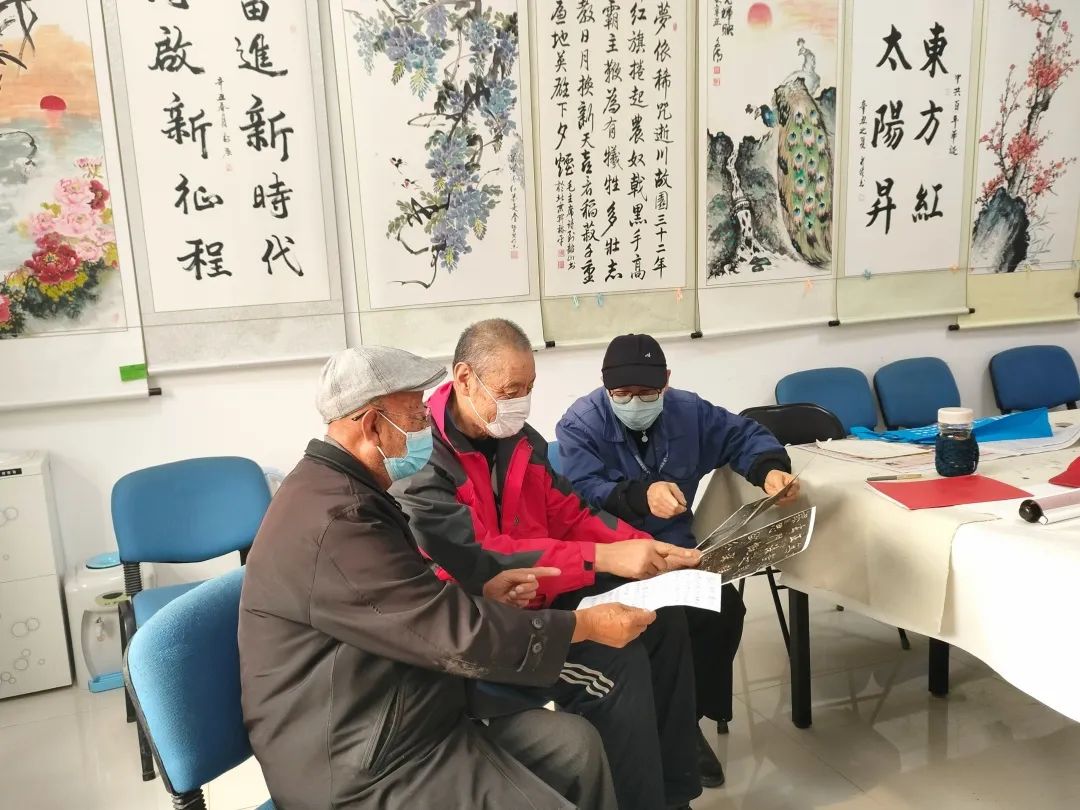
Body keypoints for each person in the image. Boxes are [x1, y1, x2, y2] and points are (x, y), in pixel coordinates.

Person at [240, 346, 658, 810]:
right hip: (361, 763)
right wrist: (585, 625)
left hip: (414, 715)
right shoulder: (336, 522)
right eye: (416, 416)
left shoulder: (349, 491)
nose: (426, 426)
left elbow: (405, 605)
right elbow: (447, 632)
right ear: (372, 425)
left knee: (576, 749)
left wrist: (484, 593)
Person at [391, 319, 705, 810]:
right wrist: (604, 557)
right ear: (465, 378)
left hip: (542, 593)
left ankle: (674, 793)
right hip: (481, 623)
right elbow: (482, 556)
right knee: (615, 663)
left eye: (529, 389)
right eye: (510, 391)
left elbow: (569, 514)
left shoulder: (519, 440)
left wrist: (645, 547)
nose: (521, 402)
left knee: (662, 619)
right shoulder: (419, 460)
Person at [555, 333, 801, 787]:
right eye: (622, 394)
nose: (634, 402)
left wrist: (768, 470)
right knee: (661, 626)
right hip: (611, 558)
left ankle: (687, 724)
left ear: (666, 382)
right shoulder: (580, 424)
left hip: (676, 553)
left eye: (646, 393)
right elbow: (580, 492)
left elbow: (742, 435)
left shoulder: (690, 412)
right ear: (605, 387)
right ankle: (660, 730)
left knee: (722, 611)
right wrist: (638, 496)